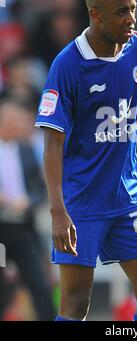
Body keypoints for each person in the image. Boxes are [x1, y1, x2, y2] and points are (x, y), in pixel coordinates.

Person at [35, 0, 137, 321]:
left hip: (128, 198)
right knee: (77, 304)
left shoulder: (136, 50)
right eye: (122, 12)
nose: (132, 19)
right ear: (96, 14)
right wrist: (57, 211)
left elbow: (133, 116)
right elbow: (52, 142)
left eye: (133, 9)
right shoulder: (67, 66)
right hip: (81, 203)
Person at [0, 94, 55, 321]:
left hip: (23, 229)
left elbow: (40, 191)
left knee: (40, 285)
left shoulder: (27, 151)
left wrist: (28, 201)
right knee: (3, 290)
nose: (17, 124)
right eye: (11, 119)